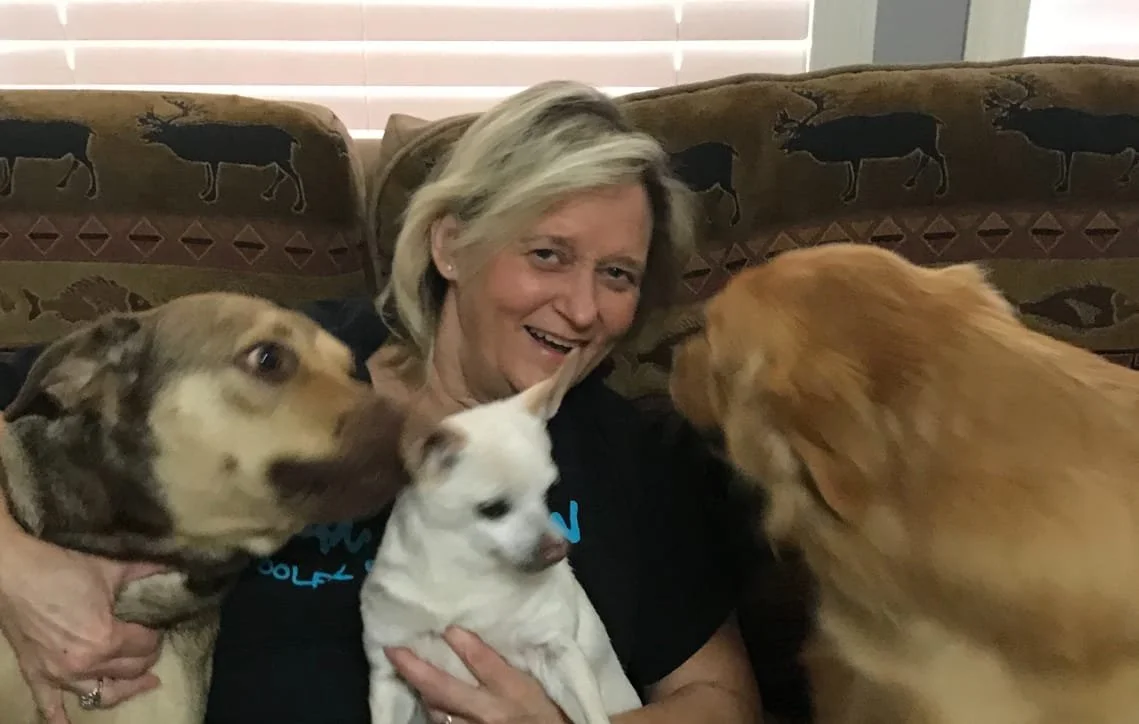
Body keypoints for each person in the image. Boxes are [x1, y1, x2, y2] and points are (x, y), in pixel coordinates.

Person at [0, 80, 764, 724]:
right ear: (450, 244)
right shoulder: (282, 362)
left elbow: (720, 700)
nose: (582, 307)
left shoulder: (631, 453)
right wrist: (19, 570)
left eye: (618, 276)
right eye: (547, 255)